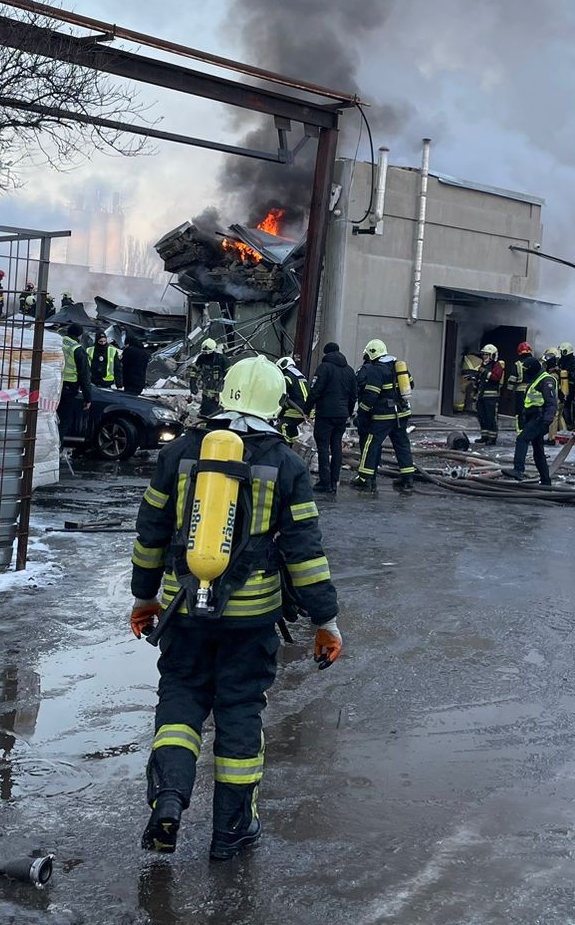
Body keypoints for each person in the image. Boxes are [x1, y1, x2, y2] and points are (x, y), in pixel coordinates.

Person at [130, 356, 342, 860]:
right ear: (274, 403)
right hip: (251, 619)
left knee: (180, 703)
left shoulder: (180, 452)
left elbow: (151, 534)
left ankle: (168, 801)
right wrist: (326, 623)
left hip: (183, 611)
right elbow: (305, 554)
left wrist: (144, 599)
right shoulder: (286, 464)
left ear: (223, 395)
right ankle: (231, 830)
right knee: (240, 711)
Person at [351, 340, 417, 493]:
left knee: (371, 444)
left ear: (371, 353)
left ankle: (364, 478)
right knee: (402, 445)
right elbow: (410, 385)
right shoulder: (398, 366)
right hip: (401, 413)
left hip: (383, 415)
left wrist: (362, 412)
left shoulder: (376, 369)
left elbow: (371, 394)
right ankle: (407, 478)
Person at [307, 343, 358, 495]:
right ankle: (334, 482)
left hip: (325, 414)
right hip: (341, 415)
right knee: (336, 446)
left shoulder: (324, 368)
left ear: (326, 353)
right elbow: (353, 395)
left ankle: (324, 482)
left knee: (323, 446)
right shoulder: (349, 370)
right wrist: (348, 412)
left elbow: (315, 390)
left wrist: (306, 409)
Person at [510, 351, 560, 484]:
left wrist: (546, 421)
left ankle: (518, 470)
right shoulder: (536, 380)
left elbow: (551, 404)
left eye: (527, 370)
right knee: (538, 450)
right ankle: (545, 480)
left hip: (540, 418)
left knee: (522, 439)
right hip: (533, 417)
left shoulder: (546, 380)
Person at [57, 323, 94, 440]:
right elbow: (84, 376)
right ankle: (57, 447)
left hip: (53, 385)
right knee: (64, 420)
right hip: (68, 388)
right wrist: (87, 398)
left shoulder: (58, 342)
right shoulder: (77, 349)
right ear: (79, 335)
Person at [473, 344, 505, 445]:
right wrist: (474, 390)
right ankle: (484, 436)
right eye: (483, 354)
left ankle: (492, 438)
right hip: (481, 396)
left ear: (492, 355)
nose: (484, 357)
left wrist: (485, 372)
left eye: (487, 355)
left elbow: (496, 377)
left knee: (491, 418)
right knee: (482, 417)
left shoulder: (496, 365)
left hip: (491, 397)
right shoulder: (483, 365)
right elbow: (479, 380)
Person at [277, 355, 311, 443]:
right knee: (292, 426)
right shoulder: (300, 375)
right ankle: (293, 443)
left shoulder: (289, 375)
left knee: (283, 425)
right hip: (308, 409)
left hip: (298, 410)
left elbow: (282, 387)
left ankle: (284, 444)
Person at [190, 338, 227, 417]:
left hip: (219, 392)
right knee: (205, 411)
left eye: (209, 353)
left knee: (216, 413)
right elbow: (195, 371)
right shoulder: (201, 358)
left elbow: (229, 373)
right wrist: (192, 383)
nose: (207, 356)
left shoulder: (222, 359)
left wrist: (224, 385)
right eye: (205, 353)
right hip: (206, 390)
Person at [557, 343, 575, 429]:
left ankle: (570, 424)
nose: (561, 353)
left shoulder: (574, 361)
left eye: (562, 351)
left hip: (571, 389)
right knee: (562, 407)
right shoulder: (561, 360)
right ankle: (564, 425)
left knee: (569, 407)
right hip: (561, 387)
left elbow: (574, 375)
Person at [458, 348, 483, 415]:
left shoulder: (465, 357)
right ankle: (474, 409)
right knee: (475, 391)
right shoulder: (481, 360)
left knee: (462, 390)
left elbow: (459, 366)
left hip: (465, 374)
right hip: (476, 375)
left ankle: (459, 408)